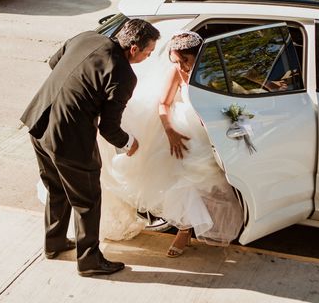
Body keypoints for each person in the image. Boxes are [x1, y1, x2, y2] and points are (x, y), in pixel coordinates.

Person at [20, 19, 160, 277]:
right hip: (69, 138)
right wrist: (129, 143)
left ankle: (55, 243)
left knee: (56, 186)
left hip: (38, 120)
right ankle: (89, 260)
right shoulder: (123, 75)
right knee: (88, 199)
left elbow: (54, 63)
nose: (148, 57)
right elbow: (109, 128)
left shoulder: (87, 37)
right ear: (133, 49)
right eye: (148, 52)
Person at [101, 30, 243, 257]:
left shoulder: (213, 71)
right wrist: (170, 132)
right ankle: (184, 230)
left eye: (185, 61)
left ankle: (207, 223)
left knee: (211, 180)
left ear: (198, 56)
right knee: (182, 179)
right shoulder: (176, 72)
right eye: (177, 62)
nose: (182, 67)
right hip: (181, 128)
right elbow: (164, 104)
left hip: (208, 128)